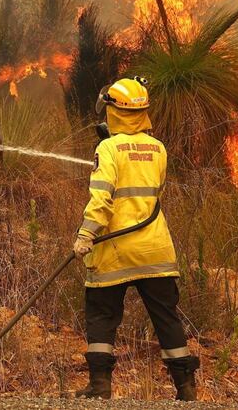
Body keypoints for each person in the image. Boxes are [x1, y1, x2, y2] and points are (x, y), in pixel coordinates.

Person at [73, 77, 200, 401]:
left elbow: (102, 198)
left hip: (114, 248)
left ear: (114, 112)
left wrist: (86, 234)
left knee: (101, 314)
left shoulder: (108, 148)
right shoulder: (158, 149)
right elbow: (151, 192)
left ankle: (100, 387)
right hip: (155, 247)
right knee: (166, 317)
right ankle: (186, 389)